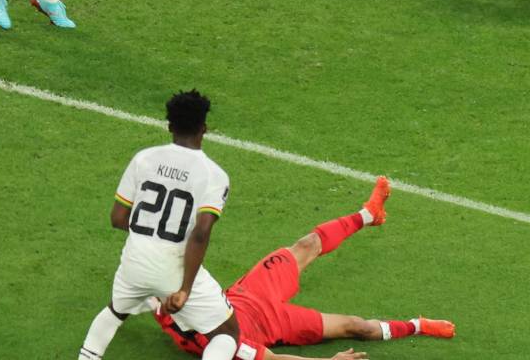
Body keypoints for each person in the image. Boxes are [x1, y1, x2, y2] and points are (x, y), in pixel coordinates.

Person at [152, 176, 455, 360]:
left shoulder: (167, 310)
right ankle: (419, 324)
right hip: (277, 323)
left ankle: (369, 214)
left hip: (251, 290)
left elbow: (134, 295)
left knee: (307, 244)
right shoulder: (227, 347)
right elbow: (273, 357)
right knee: (356, 326)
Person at [78, 90, 240, 360]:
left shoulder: (144, 158)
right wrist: (185, 289)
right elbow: (200, 233)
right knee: (227, 334)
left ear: (169, 126)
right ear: (204, 127)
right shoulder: (214, 175)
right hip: (174, 267)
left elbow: (117, 218)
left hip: (135, 262)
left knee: (116, 311)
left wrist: (149, 230)